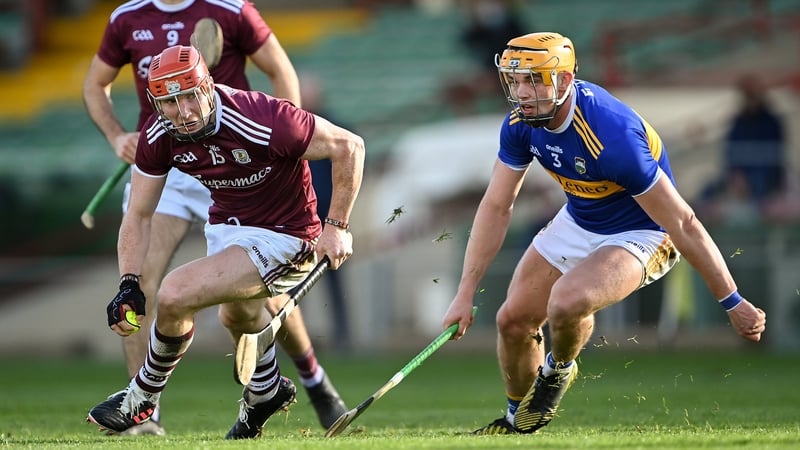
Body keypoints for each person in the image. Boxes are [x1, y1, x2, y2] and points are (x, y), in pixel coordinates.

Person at [440, 32, 767, 435]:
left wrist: (732, 301)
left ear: (563, 81)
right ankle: (517, 425)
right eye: (515, 82)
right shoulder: (521, 125)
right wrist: (465, 292)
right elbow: (496, 205)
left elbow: (683, 222)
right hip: (579, 218)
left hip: (644, 231)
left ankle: (557, 370)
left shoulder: (612, 136)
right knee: (512, 321)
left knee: (567, 301)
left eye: (533, 80)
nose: (521, 93)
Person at [82, 0, 346, 435]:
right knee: (218, 310)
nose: (182, 109)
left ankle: (143, 398)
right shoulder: (129, 27)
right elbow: (139, 215)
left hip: (262, 188)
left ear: (205, 88)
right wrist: (126, 281)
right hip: (201, 182)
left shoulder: (234, 20)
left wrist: (331, 217)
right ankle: (252, 392)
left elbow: (338, 136)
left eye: (189, 96)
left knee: (184, 293)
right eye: (170, 100)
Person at [301, 74, 352, 350]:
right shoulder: (293, 130)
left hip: (331, 221)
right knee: (296, 285)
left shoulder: (338, 130)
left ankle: (342, 337)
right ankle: (300, 342)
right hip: (301, 223)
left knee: (335, 283)